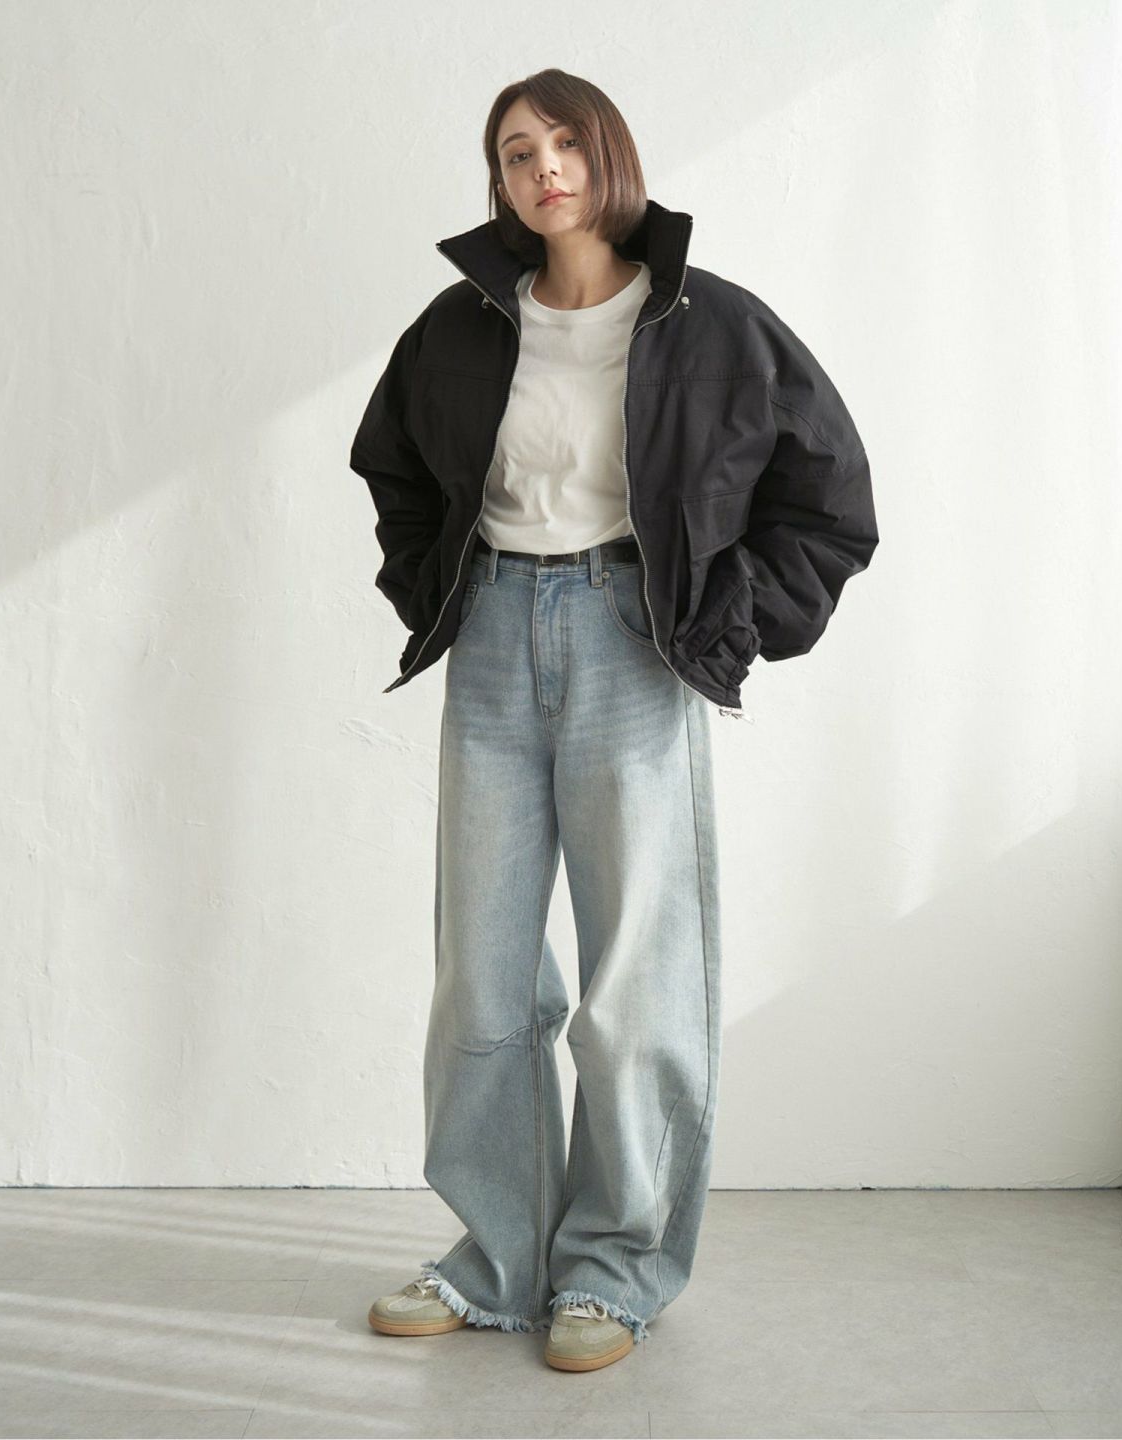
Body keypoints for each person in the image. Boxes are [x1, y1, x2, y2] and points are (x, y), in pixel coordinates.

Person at [351, 68, 878, 1373]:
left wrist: (723, 625)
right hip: (491, 641)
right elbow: (394, 466)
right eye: (516, 152)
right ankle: (497, 1259)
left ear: (608, 156)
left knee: (636, 983)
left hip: (631, 644)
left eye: (565, 144)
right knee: (481, 976)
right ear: (501, 181)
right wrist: (433, 585)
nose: (545, 170)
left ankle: (612, 1270)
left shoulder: (707, 323)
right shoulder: (466, 326)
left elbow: (830, 500)